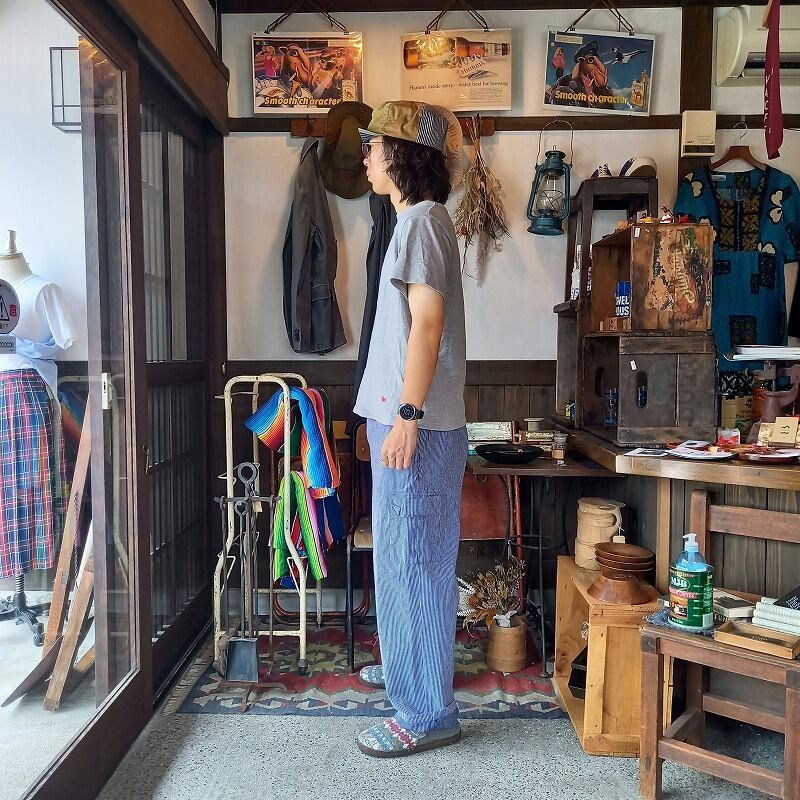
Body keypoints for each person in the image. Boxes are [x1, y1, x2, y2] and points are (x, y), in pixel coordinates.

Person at [352, 101, 467, 757]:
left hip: (415, 425)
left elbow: (427, 325)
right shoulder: (416, 222)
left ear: (402, 154)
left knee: (416, 562)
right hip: (403, 419)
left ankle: (427, 712)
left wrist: (408, 415)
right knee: (400, 556)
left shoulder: (422, 221)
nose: (366, 155)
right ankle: (406, 667)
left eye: (374, 145)